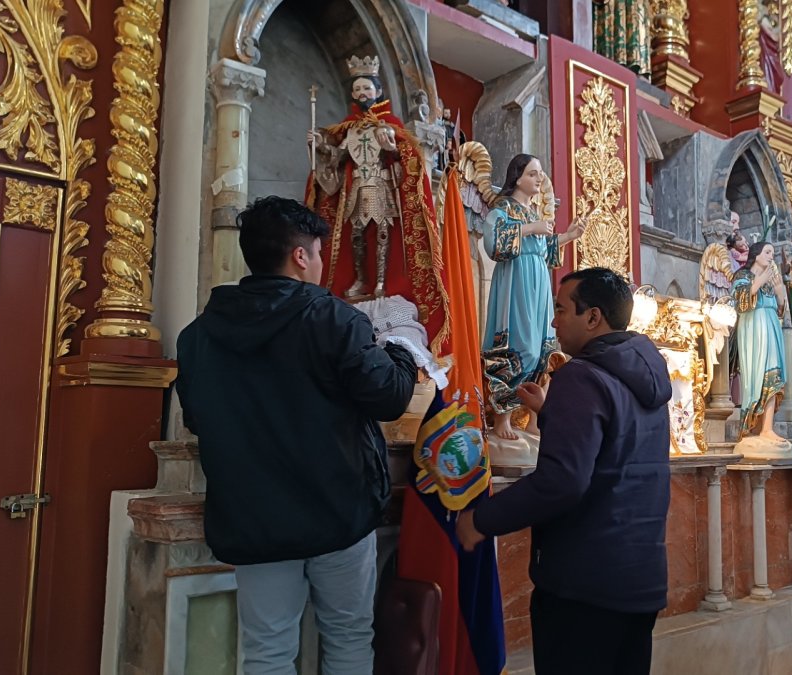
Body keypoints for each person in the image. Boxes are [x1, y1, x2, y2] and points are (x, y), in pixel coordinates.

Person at [175, 196, 418, 674]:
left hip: (254, 518)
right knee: (348, 636)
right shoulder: (334, 319)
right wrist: (403, 352)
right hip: (338, 510)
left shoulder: (197, 336)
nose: (322, 263)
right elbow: (389, 397)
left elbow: (197, 418)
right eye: (319, 252)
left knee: (266, 651)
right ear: (300, 255)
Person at [458, 267, 672, 675]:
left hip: (585, 585)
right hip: (638, 577)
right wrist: (552, 412)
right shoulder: (644, 371)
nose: (553, 321)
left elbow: (563, 481)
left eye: (560, 309)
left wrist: (481, 520)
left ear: (593, 318)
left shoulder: (581, 375)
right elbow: (617, 449)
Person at [305, 54, 449, 355]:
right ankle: (360, 279)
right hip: (358, 188)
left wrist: (393, 148)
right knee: (357, 236)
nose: (361, 94)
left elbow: (408, 158)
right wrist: (320, 147)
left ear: (377, 91)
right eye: (356, 90)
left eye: (366, 89)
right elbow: (338, 159)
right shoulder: (348, 131)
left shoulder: (391, 127)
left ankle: (381, 280)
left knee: (382, 235)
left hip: (381, 188)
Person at [480, 153, 585, 440]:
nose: (539, 179)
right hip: (516, 283)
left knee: (544, 348)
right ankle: (503, 418)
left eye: (539, 174)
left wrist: (567, 236)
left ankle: (533, 419)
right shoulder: (502, 208)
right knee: (518, 345)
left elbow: (543, 250)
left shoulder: (532, 214)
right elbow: (495, 243)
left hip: (538, 281)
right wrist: (530, 229)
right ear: (517, 178)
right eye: (532, 174)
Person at [733, 240, 788, 439]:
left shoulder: (771, 282)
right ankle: (751, 426)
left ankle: (767, 428)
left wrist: (781, 294)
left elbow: (781, 309)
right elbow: (740, 302)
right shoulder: (742, 275)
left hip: (772, 327)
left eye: (772, 253)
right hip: (754, 329)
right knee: (756, 376)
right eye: (767, 252)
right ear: (756, 254)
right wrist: (760, 280)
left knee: (773, 374)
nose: (771, 256)